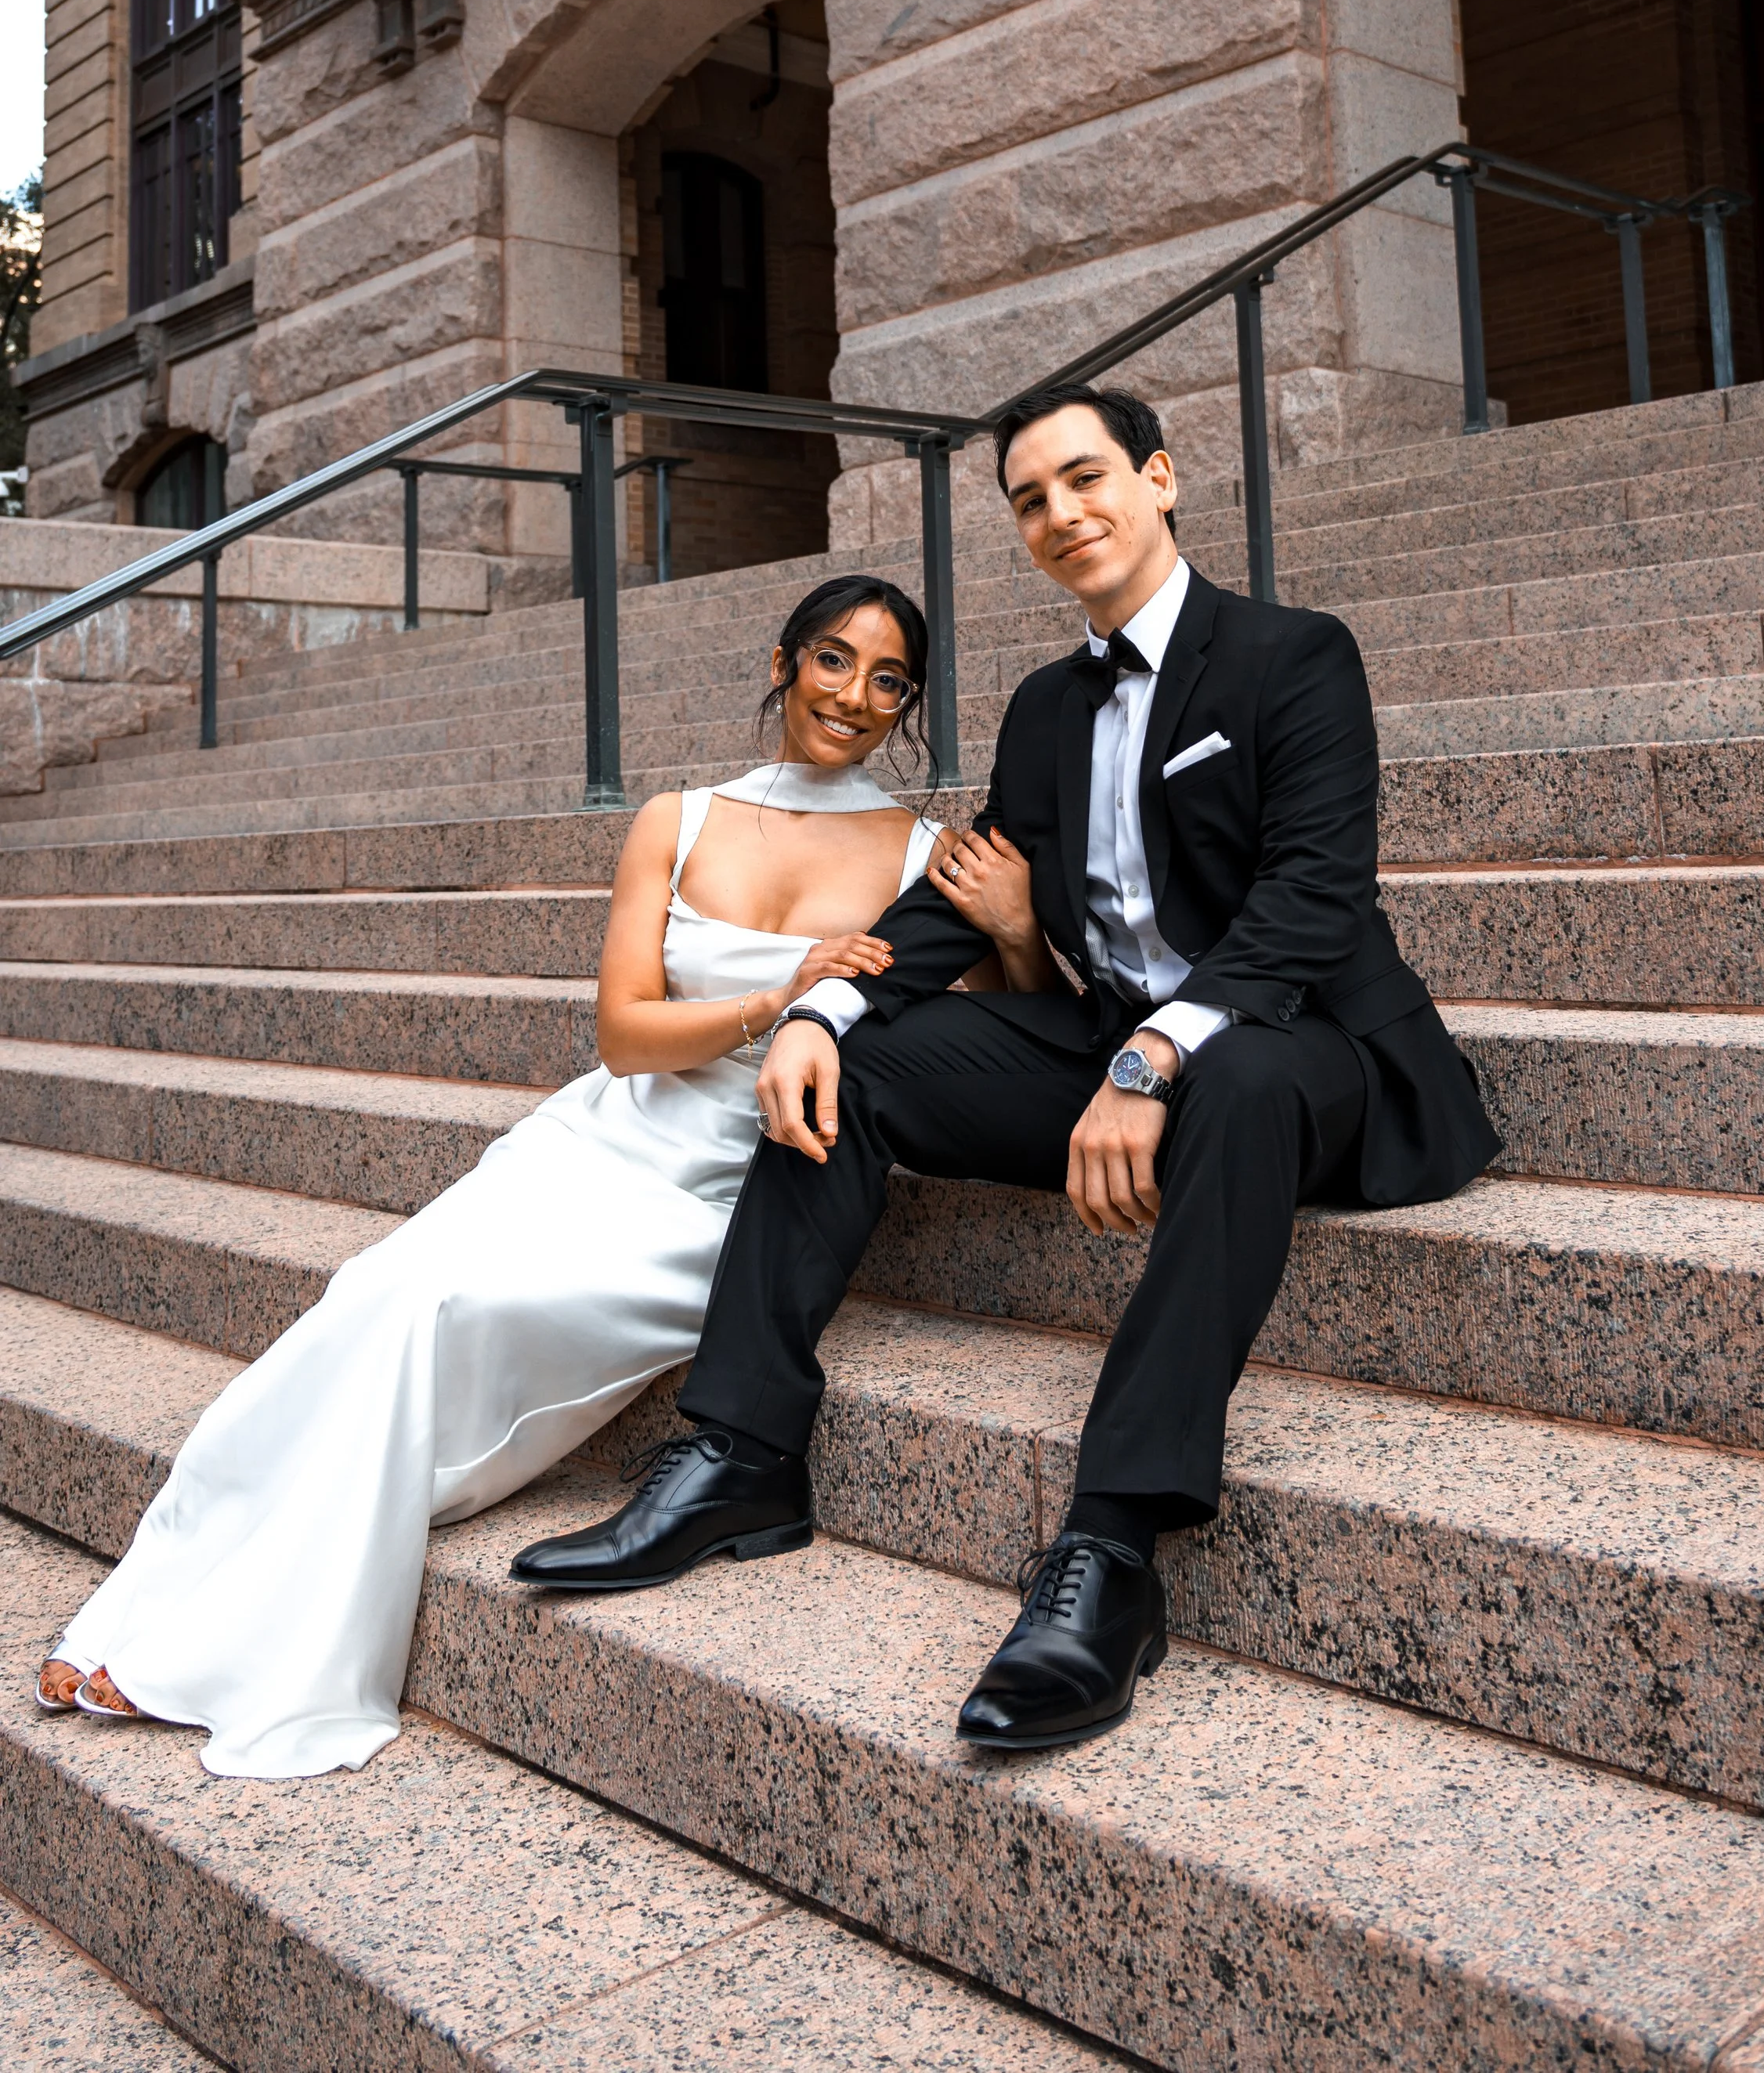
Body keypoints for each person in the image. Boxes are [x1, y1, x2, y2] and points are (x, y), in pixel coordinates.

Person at [515, 385, 1501, 1751]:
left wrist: (1155, 1053)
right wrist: (819, 1012)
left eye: (1086, 478)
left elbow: (1313, 901)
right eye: (1030, 499)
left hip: (1315, 1054)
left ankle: (1110, 1552)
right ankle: (740, 1454)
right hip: (1115, 1052)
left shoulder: (1295, 656)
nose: (1061, 515)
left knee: (1248, 1081)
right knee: (867, 1060)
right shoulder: (1048, 705)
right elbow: (953, 894)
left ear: (1159, 480)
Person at [34, 575, 953, 1779]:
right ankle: (167, 1610)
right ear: (783, 663)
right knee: (373, 1287)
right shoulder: (675, 818)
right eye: (833, 660)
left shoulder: (923, 853)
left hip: (732, 1198)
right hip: (598, 1143)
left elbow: (969, 1027)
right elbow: (626, 1035)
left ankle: (242, 1645)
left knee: (440, 1311)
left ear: (907, 707)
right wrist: (777, 998)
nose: (854, 696)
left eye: (888, 681)